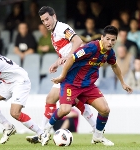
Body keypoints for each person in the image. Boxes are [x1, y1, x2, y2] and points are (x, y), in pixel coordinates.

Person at [43, 25, 133, 146]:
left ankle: (97, 136)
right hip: (71, 83)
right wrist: (62, 76)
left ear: (116, 40)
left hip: (88, 86)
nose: (110, 42)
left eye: (113, 40)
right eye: (107, 39)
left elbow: (114, 65)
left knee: (105, 109)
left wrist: (123, 82)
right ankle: (45, 130)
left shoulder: (109, 53)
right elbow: (71, 58)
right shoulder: (90, 47)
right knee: (65, 110)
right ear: (102, 37)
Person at [26, 6, 96, 144]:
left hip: (75, 68)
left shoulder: (62, 28)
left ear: (54, 16)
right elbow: (66, 52)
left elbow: (78, 41)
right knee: (61, 99)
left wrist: (68, 58)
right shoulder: (53, 33)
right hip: (71, 68)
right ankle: (96, 129)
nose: (45, 22)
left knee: (55, 99)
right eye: (43, 20)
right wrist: (57, 63)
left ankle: (42, 132)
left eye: (47, 19)